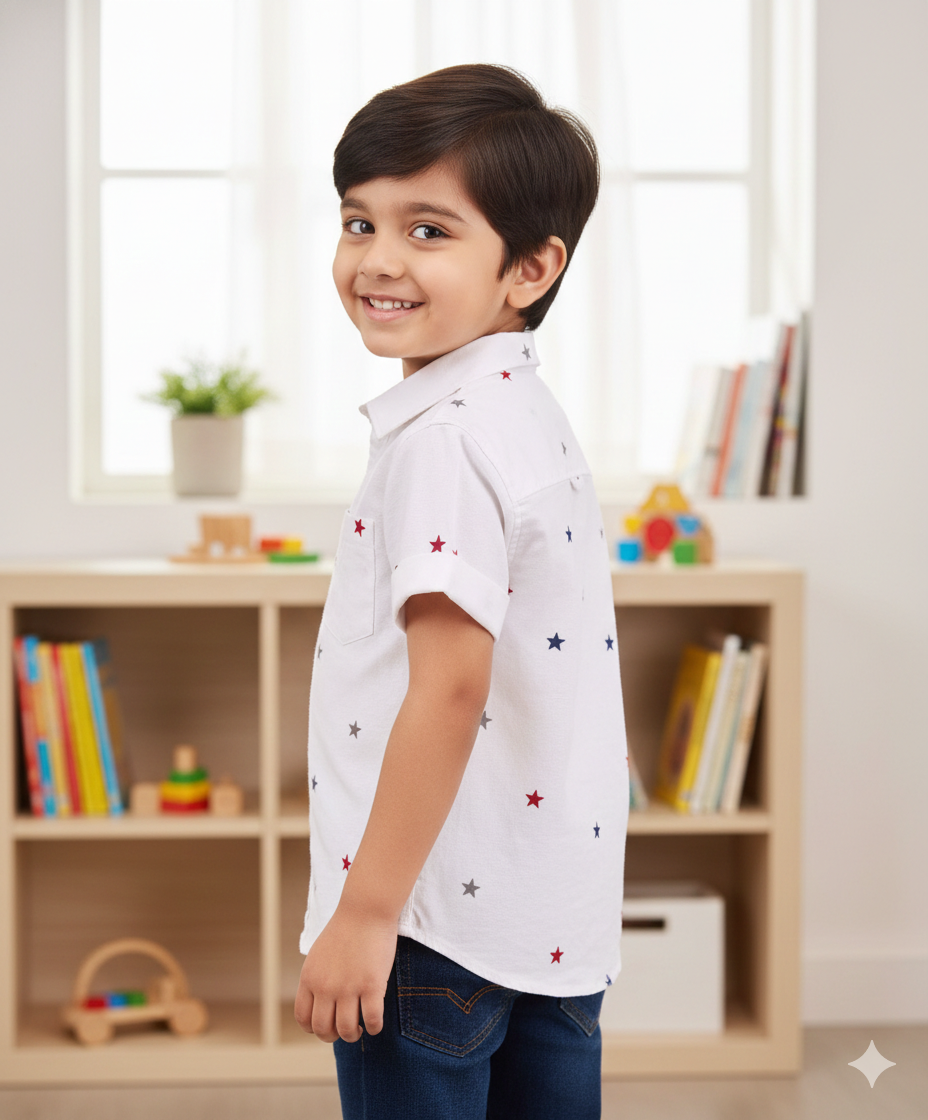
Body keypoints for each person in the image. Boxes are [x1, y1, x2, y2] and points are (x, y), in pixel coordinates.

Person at [294, 62, 629, 1120]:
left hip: (429, 922)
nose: (378, 259)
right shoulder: (524, 410)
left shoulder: (440, 439)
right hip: (550, 919)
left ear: (530, 267)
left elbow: (448, 687)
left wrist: (365, 912)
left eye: (428, 230)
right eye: (359, 222)